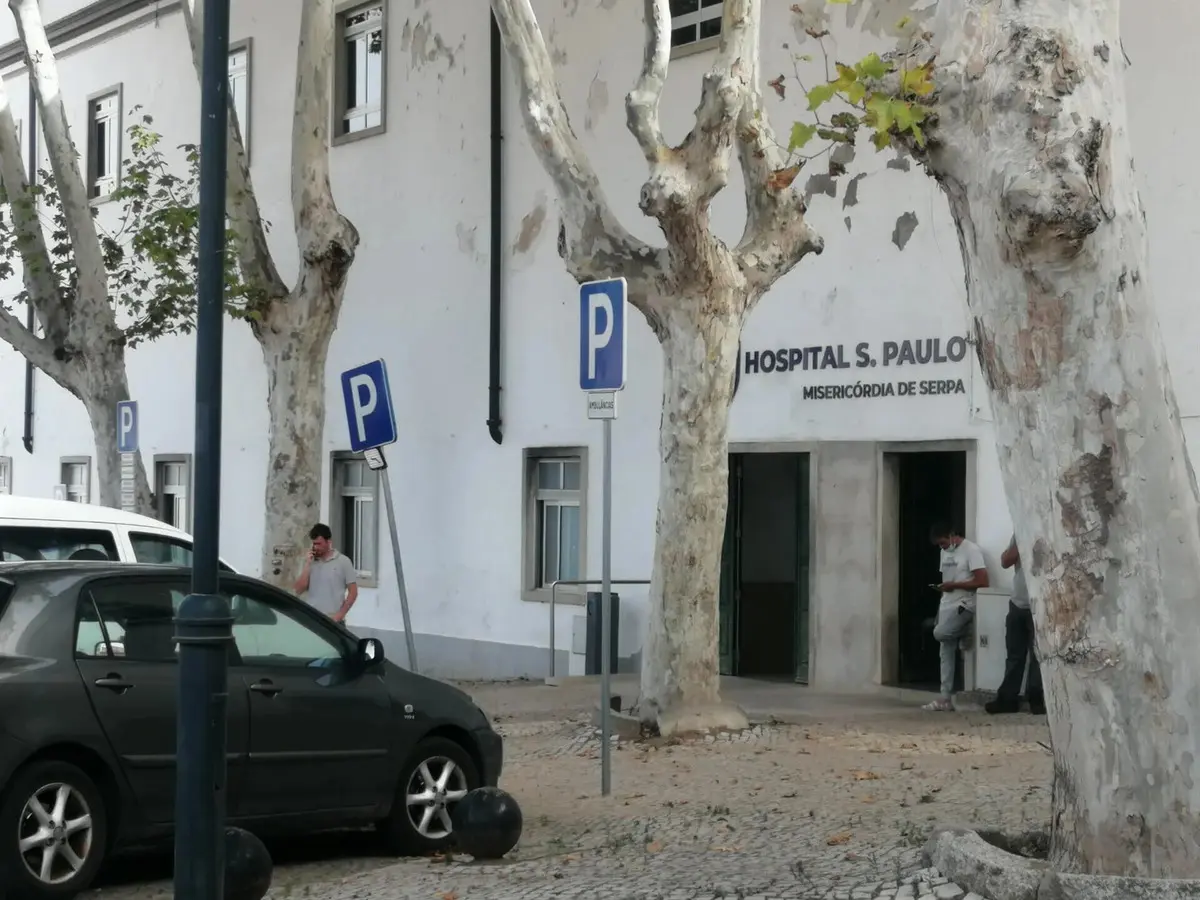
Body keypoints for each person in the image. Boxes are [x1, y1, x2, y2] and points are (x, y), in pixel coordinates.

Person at [922, 522, 989, 712]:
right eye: (939, 545)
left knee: (940, 634)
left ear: (951, 535)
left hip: (964, 605)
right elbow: (947, 582)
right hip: (947, 604)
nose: (942, 547)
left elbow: (983, 581)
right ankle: (945, 698)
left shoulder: (971, 550)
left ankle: (964, 630)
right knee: (945, 650)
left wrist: (956, 585)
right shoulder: (944, 553)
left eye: (943, 542)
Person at [985, 534, 1045, 715]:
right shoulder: (1019, 534)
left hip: (1040, 604)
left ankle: (1037, 699)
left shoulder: (1046, 529)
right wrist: (1022, 539)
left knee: (1038, 657)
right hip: (1018, 603)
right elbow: (1005, 561)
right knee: (1014, 655)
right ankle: (1008, 699)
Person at [293, 523, 358, 623]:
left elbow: (353, 593)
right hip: (312, 618)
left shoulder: (343, 561)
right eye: (314, 544)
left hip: (333, 620)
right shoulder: (309, 562)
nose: (315, 547)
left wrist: (339, 616)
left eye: (319, 544)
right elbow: (298, 590)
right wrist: (307, 564)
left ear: (329, 542)